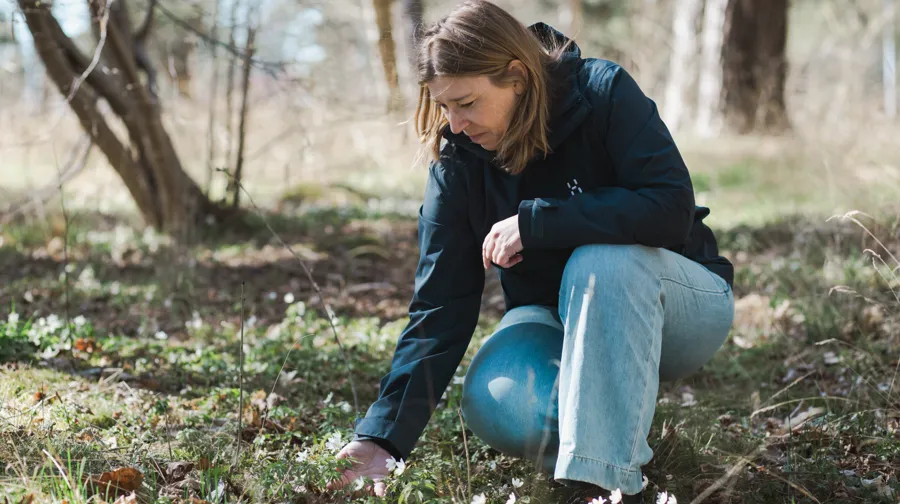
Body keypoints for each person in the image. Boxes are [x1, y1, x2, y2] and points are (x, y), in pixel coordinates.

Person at [326, 1, 735, 502]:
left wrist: (541, 222)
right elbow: (440, 306)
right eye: (444, 105)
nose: (454, 123)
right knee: (493, 400)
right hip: (552, 316)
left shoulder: (602, 92)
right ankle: (614, 425)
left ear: (517, 77)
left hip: (678, 302)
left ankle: (603, 486)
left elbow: (670, 206)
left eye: (468, 103)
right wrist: (380, 438)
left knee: (601, 262)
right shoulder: (457, 165)